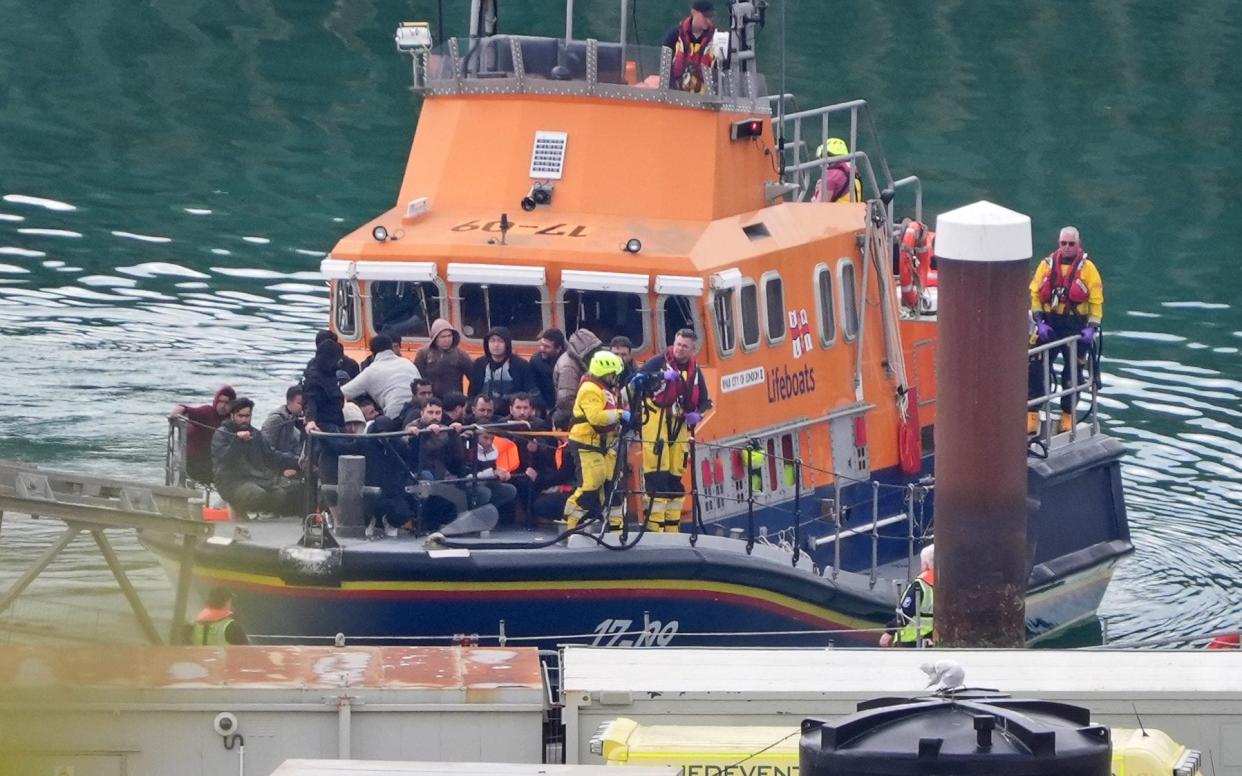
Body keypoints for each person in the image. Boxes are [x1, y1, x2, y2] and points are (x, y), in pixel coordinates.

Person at [1028, 226, 1104, 434]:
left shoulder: (1088, 269)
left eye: (1071, 244)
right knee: (1036, 367)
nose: (1067, 248)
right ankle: (1032, 413)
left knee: (1073, 372)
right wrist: (1039, 321)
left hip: (1075, 327)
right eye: (1064, 243)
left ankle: (1068, 415)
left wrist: (1092, 328)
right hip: (1050, 325)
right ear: (1059, 244)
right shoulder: (1046, 266)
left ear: (1078, 245)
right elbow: (1035, 294)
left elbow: (1096, 301)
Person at [636, 328, 712, 532]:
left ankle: (672, 530)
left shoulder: (695, 371)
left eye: (685, 346)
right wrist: (661, 375)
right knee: (657, 480)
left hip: (678, 427)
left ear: (692, 350)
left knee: (675, 482)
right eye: (678, 344)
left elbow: (705, 400)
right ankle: (654, 530)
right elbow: (637, 380)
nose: (680, 349)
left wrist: (698, 414)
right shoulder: (658, 362)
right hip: (656, 424)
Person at [564, 351, 629, 530]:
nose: (616, 378)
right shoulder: (589, 389)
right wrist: (621, 414)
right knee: (590, 485)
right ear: (605, 372)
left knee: (612, 485)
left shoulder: (605, 389)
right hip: (586, 443)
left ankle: (616, 527)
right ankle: (571, 524)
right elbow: (596, 417)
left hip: (604, 445)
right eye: (614, 374)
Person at [210, 397, 302, 516]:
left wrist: (297, 461)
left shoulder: (255, 434)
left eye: (247, 416)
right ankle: (235, 508)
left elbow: (272, 455)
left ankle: (265, 513)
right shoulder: (222, 433)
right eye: (240, 416)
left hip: (256, 477)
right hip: (231, 481)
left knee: (280, 493)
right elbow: (226, 460)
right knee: (256, 493)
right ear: (232, 415)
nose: (244, 419)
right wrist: (237, 441)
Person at [342, 334, 421, 418]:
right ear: (391, 347)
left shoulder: (371, 371)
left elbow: (344, 393)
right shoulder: (408, 363)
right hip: (419, 410)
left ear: (372, 352)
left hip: (395, 414)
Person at [170, 385, 236, 484]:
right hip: (194, 462)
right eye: (220, 401)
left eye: (226, 403)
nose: (222, 406)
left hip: (213, 463)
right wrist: (174, 415)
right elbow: (184, 408)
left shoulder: (233, 421)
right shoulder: (207, 412)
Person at [468, 326, 535, 413]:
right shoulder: (479, 364)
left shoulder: (521, 365)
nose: (496, 345)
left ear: (507, 344)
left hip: (512, 413)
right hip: (485, 413)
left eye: (500, 341)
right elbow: (472, 393)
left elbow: (531, 392)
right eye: (492, 341)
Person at [879, 544, 935, 647]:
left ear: (925, 564)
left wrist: (889, 632)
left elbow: (905, 613)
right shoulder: (948, 586)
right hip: (934, 639)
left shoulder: (920, 585)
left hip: (910, 640)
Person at [659, 1, 716, 94]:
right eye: (705, 16)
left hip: (706, 98)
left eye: (711, 17)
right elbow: (665, 68)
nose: (708, 20)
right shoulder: (674, 35)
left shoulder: (716, 38)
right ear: (693, 12)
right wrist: (672, 92)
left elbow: (721, 72)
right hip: (676, 94)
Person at [554, 328, 603, 425]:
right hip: (570, 420)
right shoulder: (568, 367)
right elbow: (565, 400)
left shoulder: (579, 361)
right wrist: (588, 412)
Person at [414, 318, 473, 399]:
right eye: (443, 337)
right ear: (435, 338)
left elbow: (474, 377)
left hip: (453, 403)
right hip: (430, 401)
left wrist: (470, 399)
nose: (447, 340)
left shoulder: (461, 355)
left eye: (449, 336)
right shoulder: (423, 353)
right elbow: (416, 379)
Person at [470, 429, 520, 521]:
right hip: (470, 483)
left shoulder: (494, 450)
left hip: (487, 481)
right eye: (485, 438)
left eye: (492, 439)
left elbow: (494, 470)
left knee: (510, 490)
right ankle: (476, 518)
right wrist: (492, 473)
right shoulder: (468, 450)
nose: (489, 442)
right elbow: (468, 477)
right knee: (485, 492)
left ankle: (486, 514)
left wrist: (502, 473)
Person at [811, 137, 863, 203]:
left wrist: (815, 194)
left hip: (838, 213)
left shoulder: (832, 176)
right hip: (855, 211)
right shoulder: (852, 170)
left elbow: (818, 206)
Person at [261, 384, 305, 458]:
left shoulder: (293, 418)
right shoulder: (276, 418)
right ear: (289, 401)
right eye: (300, 404)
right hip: (275, 459)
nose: (303, 407)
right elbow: (265, 446)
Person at [531, 328, 566, 412]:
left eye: (547, 347)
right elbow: (533, 387)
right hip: (544, 406)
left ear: (558, 349)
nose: (542, 349)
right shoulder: (536, 361)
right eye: (542, 345)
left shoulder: (567, 363)